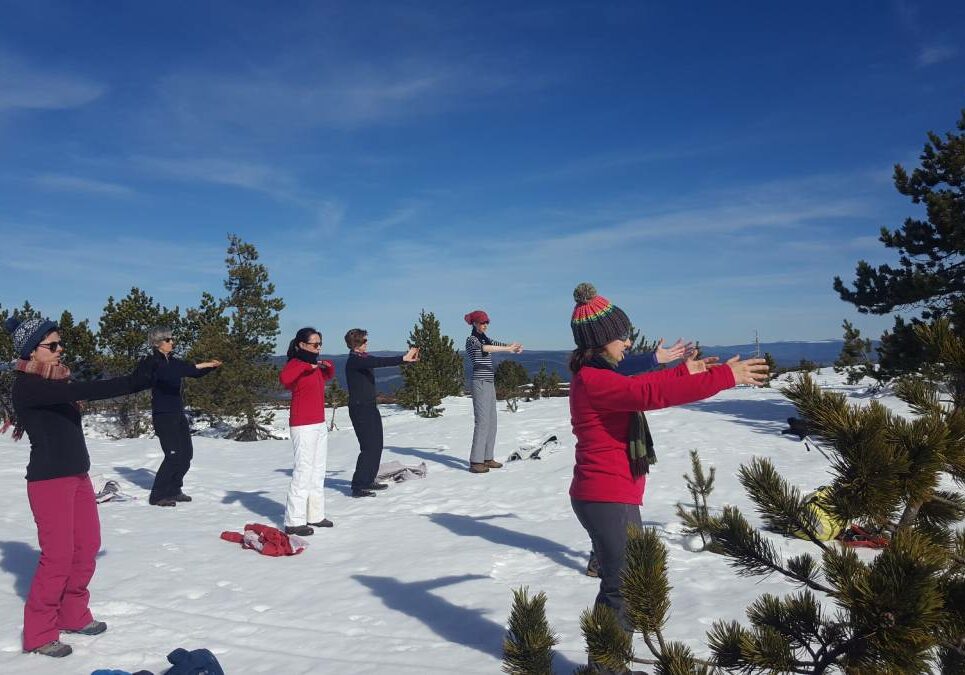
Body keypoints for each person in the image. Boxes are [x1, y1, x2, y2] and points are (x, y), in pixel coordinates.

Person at [566, 283, 767, 671]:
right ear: (601, 341)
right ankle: (605, 668)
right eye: (621, 335)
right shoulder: (595, 380)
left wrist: (683, 370)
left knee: (620, 582)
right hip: (606, 495)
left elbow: (643, 383)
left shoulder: (597, 374)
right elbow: (647, 394)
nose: (627, 341)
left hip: (608, 492)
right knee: (621, 586)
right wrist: (724, 377)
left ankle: (606, 664)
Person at [3, 315, 156, 658]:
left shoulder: (55, 380)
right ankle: (41, 633)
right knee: (57, 558)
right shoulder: (28, 386)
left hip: (77, 476)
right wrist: (135, 380)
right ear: (32, 351)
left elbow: (76, 391)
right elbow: (87, 390)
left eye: (60, 343)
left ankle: (73, 614)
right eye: (52, 345)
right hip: (49, 481)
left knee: (86, 547)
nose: (60, 350)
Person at [143, 326, 221, 507]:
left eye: (172, 339)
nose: (172, 342)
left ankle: (174, 489)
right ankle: (158, 495)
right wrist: (196, 366)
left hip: (177, 413)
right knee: (172, 455)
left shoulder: (173, 361)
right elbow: (174, 372)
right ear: (157, 343)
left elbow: (192, 371)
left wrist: (210, 366)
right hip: (163, 415)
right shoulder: (153, 363)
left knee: (186, 454)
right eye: (168, 340)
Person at [344, 329, 419, 498]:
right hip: (360, 408)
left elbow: (375, 361)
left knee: (376, 445)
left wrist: (406, 361)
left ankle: (368, 479)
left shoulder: (361, 358)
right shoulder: (355, 360)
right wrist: (403, 359)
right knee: (368, 447)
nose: (366, 343)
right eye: (364, 341)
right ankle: (359, 485)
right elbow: (380, 362)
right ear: (356, 344)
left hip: (370, 407)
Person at [279, 327, 335, 536]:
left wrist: (326, 367)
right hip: (302, 424)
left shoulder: (313, 365)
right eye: (315, 344)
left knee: (318, 470)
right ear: (302, 345)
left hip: (319, 423)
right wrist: (307, 367)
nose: (318, 347)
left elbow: (327, 376)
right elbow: (285, 379)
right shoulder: (296, 363)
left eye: (320, 343)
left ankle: (315, 514)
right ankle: (293, 520)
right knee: (303, 471)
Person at [464, 310, 523, 473]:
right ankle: (476, 461)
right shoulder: (472, 340)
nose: (485, 325)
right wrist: (507, 348)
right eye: (483, 322)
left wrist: (511, 348)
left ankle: (487, 457)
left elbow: (494, 344)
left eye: (487, 322)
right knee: (482, 422)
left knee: (492, 421)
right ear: (475, 323)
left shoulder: (485, 338)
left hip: (489, 382)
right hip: (480, 382)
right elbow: (486, 348)